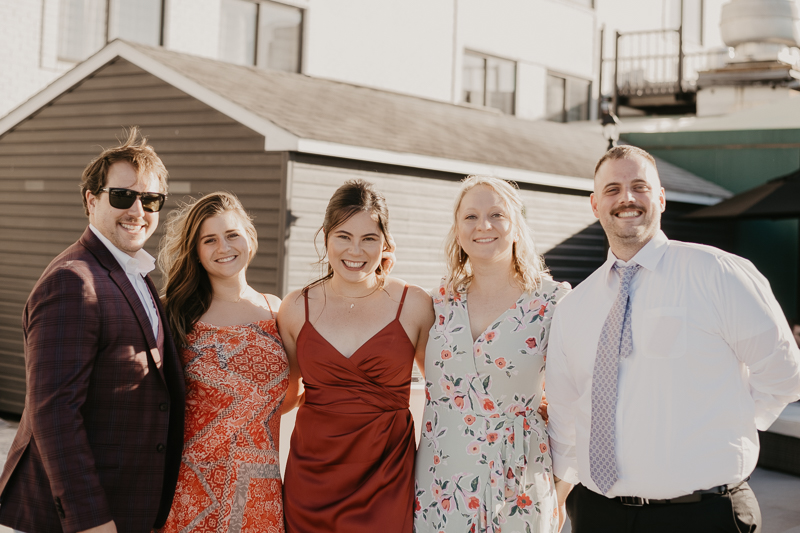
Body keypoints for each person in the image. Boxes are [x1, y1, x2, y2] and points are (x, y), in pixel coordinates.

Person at [546, 145, 800, 533]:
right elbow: (565, 414)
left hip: (702, 515)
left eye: (639, 186)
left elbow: (783, 371)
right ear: (595, 205)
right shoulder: (574, 306)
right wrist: (557, 497)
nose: (626, 198)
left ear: (661, 198)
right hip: (598, 515)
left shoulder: (718, 273)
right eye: (612, 189)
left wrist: (727, 423)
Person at [0, 128, 186, 533]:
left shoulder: (135, 272)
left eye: (151, 199)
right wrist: (90, 521)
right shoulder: (73, 281)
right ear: (91, 200)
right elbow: (54, 413)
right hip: (83, 518)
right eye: (123, 196)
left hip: (130, 504)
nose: (138, 210)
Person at [414, 176, 569, 533]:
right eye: (470, 217)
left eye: (496, 214)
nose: (483, 225)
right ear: (456, 230)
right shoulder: (435, 302)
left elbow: (578, 400)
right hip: (441, 483)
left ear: (516, 227)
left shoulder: (551, 302)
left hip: (520, 484)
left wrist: (559, 490)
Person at [279, 179, 434, 533]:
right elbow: (286, 397)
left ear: (386, 243)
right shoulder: (294, 309)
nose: (356, 250)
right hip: (312, 480)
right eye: (344, 236)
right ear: (326, 237)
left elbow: (444, 392)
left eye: (369, 239)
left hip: (387, 478)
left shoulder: (414, 305)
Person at [157, 192, 295, 532]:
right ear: (197, 252)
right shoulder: (171, 311)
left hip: (258, 490)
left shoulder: (278, 310)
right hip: (189, 489)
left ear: (249, 236)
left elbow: (293, 394)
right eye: (209, 240)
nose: (224, 247)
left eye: (232, 234)